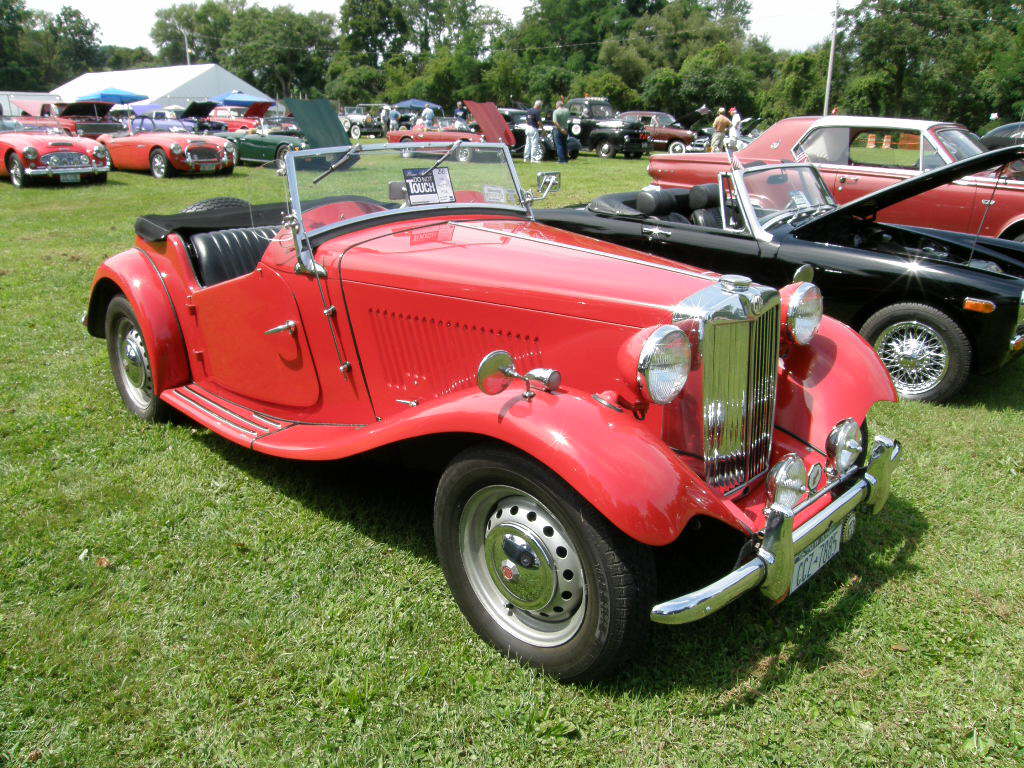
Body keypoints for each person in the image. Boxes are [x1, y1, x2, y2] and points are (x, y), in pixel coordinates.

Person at [552, 99, 570, 163]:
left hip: (558, 129)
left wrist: (560, 128)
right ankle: (566, 158)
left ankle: (561, 160)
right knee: (564, 144)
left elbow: (555, 121)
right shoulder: (567, 111)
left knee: (559, 144)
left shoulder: (556, 112)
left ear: (557, 105)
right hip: (566, 128)